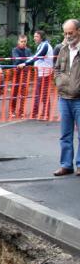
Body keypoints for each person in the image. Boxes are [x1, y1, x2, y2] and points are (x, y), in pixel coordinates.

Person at [53, 19, 80, 176]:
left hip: (79, 99)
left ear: (78, 31)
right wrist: (59, 82)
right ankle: (66, 165)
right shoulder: (63, 49)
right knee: (65, 134)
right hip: (64, 98)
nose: (68, 36)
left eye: (71, 33)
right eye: (66, 33)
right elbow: (56, 69)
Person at [18, 30, 54, 119]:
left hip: (44, 73)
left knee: (42, 93)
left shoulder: (45, 45)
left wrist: (25, 63)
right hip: (41, 72)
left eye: (36, 36)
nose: (34, 38)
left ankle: (42, 113)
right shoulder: (41, 45)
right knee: (40, 93)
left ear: (41, 37)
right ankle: (39, 112)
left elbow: (36, 56)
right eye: (34, 36)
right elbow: (35, 56)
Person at [10, 35, 32, 118]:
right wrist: (26, 60)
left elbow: (31, 60)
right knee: (14, 92)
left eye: (25, 41)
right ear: (18, 42)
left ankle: (21, 111)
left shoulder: (28, 50)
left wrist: (26, 61)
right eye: (22, 41)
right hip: (17, 73)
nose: (23, 43)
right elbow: (17, 59)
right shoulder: (15, 50)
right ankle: (12, 110)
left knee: (23, 93)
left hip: (25, 73)